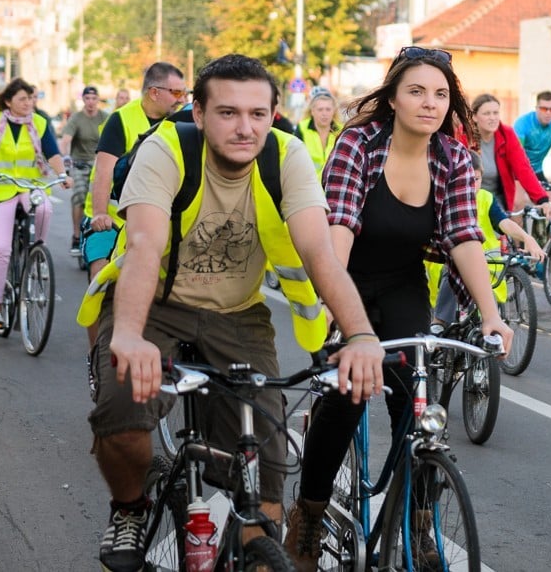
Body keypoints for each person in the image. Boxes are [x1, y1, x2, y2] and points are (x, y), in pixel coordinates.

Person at [83, 54, 384, 572]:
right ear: (197, 113)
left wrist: (359, 335)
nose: (245, 128)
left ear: (273, 114)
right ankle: (130, 507)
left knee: (265, 481)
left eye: (258, 114)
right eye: (227, 113)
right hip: (156, 305)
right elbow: (144, 245)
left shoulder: (286, 158)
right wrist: (129, 336)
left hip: (239, 317)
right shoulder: (167, 149)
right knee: (122, 419)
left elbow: (319, 252)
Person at [286, 46, 514, 570]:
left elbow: (463, 237)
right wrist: (333, 311)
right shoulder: (358, 145)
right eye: (416, 91)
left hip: (403, 284)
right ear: (392, 97)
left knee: (417, 405)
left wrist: (491, 315)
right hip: (349, 282)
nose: (429, 103)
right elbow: (337, 229)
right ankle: (311, 515)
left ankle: (417, 522)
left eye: (439, 94)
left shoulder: (455, 158)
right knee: (346, 396)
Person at [80, 62, 185, 346]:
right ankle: (97, 359)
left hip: (156, 222)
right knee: (99, 284)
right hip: (112, 219)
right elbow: (104, 170)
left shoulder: (181, 123)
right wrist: (100, 213)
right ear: (154, 92)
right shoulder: (121, 119)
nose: (182, 98)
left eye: (185, 93)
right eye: (176, 92)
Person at [0, 78, 72, 330]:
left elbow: (53, 153)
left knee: (45, 207)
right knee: (1, 248)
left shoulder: (39, 122)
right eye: (23, 99)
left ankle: (37, 253)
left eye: (31, 98)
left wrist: (62, 174)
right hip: (0, 189)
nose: (29, 103)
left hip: (30, 187)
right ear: (8, 102)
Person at [430, 150, 545, 328]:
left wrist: (526, 238)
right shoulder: (445, 197)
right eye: (467, 179)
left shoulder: (486, 199)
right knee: (454, 272)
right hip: (450, 266)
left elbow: (504, 223)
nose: (472, 185)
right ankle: (440, 323)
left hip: (487, 266)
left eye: (476, 179)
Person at [471, 93, 551, 221]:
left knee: (513, 233)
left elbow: (523, 168)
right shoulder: (464, 136)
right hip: (469, 204)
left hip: (497, 205)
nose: (492, 118)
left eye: (495, 113)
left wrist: (542, 199)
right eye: (487, 113)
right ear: (475, 117)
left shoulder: (506, 134)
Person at [60, 86, 109, 255]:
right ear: (83, 100)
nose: (90, 102)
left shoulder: (105, 117)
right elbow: (65, 140)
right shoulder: (77, 118)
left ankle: (101, 234)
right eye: (87, 98)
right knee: (80, 195)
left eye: (94, 98)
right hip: (80, 163)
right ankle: (75, 236)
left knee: (102, 196)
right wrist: (65, 157)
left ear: (98, 100)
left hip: (99, 163)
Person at [294, 86, 342, 176]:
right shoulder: (302, 128)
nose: (324, 113)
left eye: (328, 109)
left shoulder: (341, 130)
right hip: (308, 184)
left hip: (332, 185)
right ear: (312, 111)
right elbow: (294, 160)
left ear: (334, 111)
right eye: (320, 109)